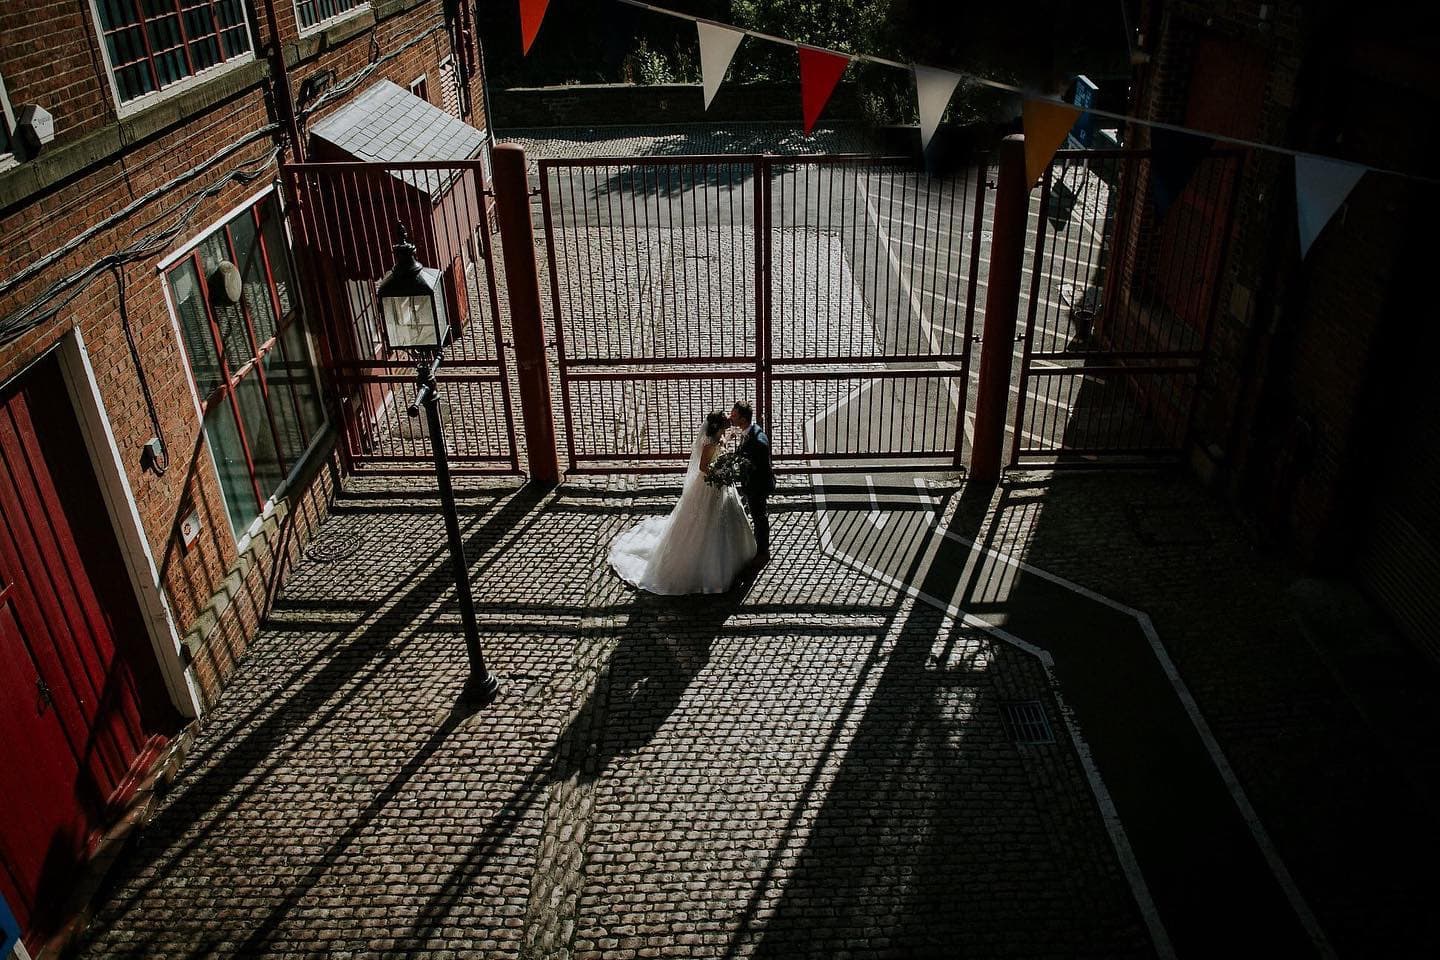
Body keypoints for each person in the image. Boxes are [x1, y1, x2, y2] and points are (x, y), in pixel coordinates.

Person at [608, 411, 757, 595]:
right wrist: (720, 474)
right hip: (710, 486)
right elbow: (703, 467)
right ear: (719, 426)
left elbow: (721, 444)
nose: (729, 420)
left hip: (720, 484)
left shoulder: (717, 438)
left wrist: (728, 439)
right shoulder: (709, 444)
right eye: (726, 420)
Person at [729, 401, 773, 570]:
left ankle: (763, 552)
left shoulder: (758, 441)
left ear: (743, 419)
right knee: (757, 516)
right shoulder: (748, 432)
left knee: (760, 517)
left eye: (734, 416)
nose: (732, 418)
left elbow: (758, 468)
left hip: (757, 486)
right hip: (751, 485)